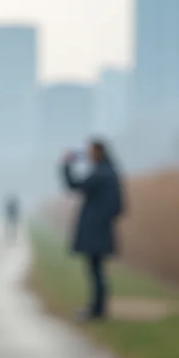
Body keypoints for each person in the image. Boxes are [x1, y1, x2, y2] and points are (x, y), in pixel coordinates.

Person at [59, 138, 124, 321]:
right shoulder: (111, 173)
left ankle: (98, 310)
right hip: (102, 229)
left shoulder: (100, 174)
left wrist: (66, 164)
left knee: (95, 271)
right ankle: (98, 308)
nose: (88, 155)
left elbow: (74, 185)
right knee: (97, 270)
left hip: (96, 230)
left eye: (91, 152)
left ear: (98, 153)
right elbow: (119, 207)